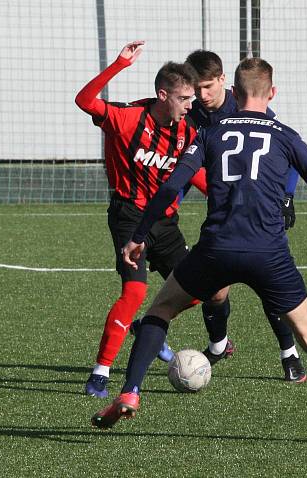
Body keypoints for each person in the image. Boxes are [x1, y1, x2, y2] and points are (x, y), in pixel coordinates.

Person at [91, 57, 307, 445]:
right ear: (271, 93)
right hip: (269, 252)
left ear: (235, 92)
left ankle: (130, 391)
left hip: (216, 249)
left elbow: (169, 186)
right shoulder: (285, 135)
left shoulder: (209, 133)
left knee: (160, 310)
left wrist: (140, 234)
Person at [75, 40, 210, 398]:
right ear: (163, 95)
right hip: (129, 216)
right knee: (134, 291)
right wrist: (119, 64)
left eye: (192, 99)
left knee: (197, 291)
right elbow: (84, 101)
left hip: (165, 222)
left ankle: (146, 326)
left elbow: (194, 174)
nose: (190, 105)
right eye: (184, 99)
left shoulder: (188, 132)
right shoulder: (126, 118)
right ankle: (100, 373)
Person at [185, 49, 307, 382]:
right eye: (196, 89)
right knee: (215, 290)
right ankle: (219, 343)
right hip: (222, 213)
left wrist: (286, 196)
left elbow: (288, 152)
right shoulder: (191, 114)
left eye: (208, 86)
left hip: (258, 212)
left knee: (270, 284)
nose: (202, 95)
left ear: (225, 81)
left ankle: (289, 353)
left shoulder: (247, 105)